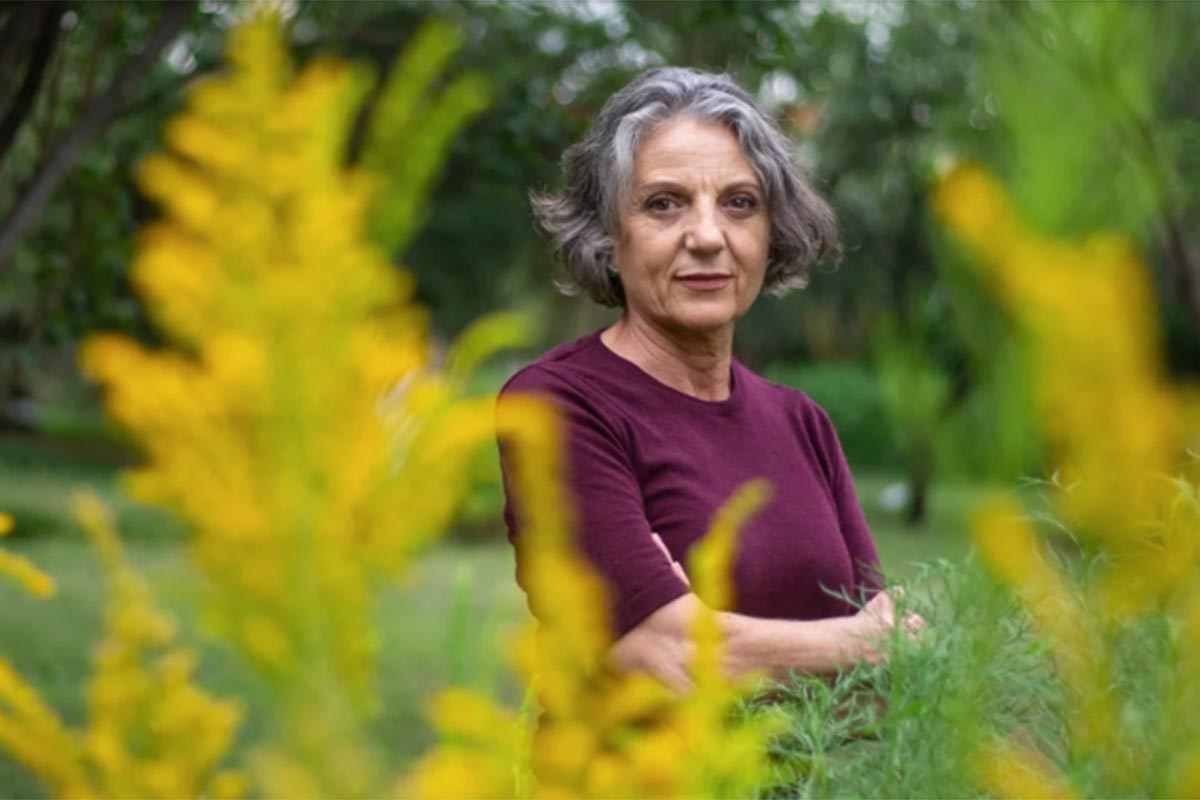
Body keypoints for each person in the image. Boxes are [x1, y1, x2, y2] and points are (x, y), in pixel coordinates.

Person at [498, 67, 922, 694]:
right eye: (663, 203)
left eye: (739, 203)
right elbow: (668, 659)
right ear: (609, 238)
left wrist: (729, 638)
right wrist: (855, 645)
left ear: (770, 232)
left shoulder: (800, 421)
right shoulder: (558, 407)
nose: (706, 237)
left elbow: (881, 692)